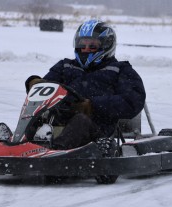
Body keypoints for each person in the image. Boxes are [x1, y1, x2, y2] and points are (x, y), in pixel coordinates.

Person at [25, 19, 146, 149]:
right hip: (58, 122)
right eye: (82, 45)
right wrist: (35, 83)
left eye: (92, 45)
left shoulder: (120, 70)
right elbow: (47, 90)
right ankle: (18, 144)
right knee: (35, 119)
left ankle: (54, 153)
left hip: (97, 132)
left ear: (106, 45)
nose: (86, 49)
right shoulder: (65, 66)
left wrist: (93, 105)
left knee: (80, 120)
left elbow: (132, 101)